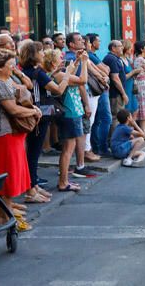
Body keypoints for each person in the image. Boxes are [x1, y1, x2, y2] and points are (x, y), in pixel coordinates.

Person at [0, 49, 40, 231]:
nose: (13, 68)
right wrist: (33, 111)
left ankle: (2, 216)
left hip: (4, 135)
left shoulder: (1, 80)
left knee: (5, 177)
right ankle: (9, 220)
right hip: (4, 135)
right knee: (7, 179)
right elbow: (13, 110)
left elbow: (25, 87)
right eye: (10, 65)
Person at [22, 43, 70, 204]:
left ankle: (33, 185)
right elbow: (58, 90)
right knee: (33, 153)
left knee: (32, 152)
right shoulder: (38, 72)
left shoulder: (27, 71)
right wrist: (67, 75)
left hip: (33, 113)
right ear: (34, 54)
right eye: (40, 51)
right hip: (38, 115)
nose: (43, 54)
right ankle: (31, 188)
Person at [52, 46, 90, 192]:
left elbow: (72, 73)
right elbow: (82, 80)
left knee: (69, 149)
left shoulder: (62, 74)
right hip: (70, 113)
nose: (63, 60)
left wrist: (79, 60)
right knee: (68, 150)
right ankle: (63, 182)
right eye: (59, 58)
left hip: (73, 112)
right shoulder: (59, 76)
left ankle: (65, 181)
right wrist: (85, 63)